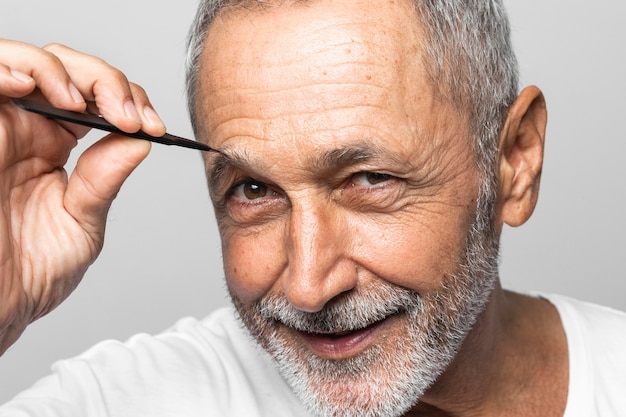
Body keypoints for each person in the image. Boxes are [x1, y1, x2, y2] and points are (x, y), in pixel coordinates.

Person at [1, 0, 625, 416]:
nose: (307, 286)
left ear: (515, 160)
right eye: (254, 190)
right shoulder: (122, 402)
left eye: (370, 179)